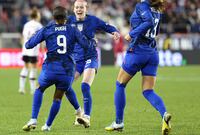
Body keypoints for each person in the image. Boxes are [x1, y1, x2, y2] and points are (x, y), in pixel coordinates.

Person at [105, 0, 172, 135]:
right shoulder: (157, 9)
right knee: (148, 91)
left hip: (137, 52)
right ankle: (164, 114)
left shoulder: (142, 5)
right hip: (152, 53)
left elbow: (148, 22)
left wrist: (132, 33)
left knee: (120, 84)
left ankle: (119, 122)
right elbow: (156, 31)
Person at [22, 6, 93, 132]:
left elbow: (28, 45)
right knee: (58, 97)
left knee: (39, 89)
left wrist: (35, 36)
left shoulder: (47, 29)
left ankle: (33, 119)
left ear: (53, 18)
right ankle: (48, 125)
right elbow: (86, 45)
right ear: (66, 18)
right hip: (67, 70)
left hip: (50, 68)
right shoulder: (73, 29)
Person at [64, 0, 120, 128]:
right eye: (77, 7)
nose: (79, 9)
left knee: (85, 86)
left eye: (81, 7)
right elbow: (54, 28)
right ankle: (79, 111)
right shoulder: (69, 21)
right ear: (73, 9)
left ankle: (87, 117)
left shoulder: (93, 20)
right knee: (65, 86)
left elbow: (106, 26)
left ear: (86, 9)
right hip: (76, 60)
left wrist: (114, 31)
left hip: (90, 57)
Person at [19, 8, 43, 94]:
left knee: (25, 67)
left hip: (25, 49)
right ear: (37, 15)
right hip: (33, 50)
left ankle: (21, 88)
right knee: (33, 69)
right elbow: (42, 38)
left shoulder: (26, 24)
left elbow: (22, 37)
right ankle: (33, 90)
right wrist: (43, 50)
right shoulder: (38, 25)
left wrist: (23, 47)